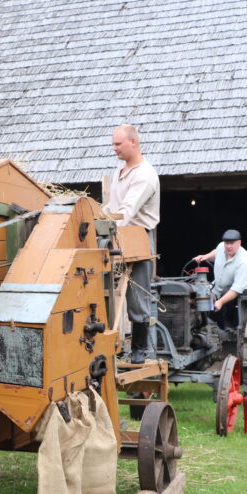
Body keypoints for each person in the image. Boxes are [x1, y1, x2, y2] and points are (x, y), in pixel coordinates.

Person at [102, 124, 160, 364]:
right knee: (105, 289)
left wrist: (104, 225)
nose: (113, 148)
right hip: (116, 235)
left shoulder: (144, 175)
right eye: (113, 144)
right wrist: (97, 214)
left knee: (137, 296)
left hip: (137, 237)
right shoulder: (120, 170)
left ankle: (139, 350)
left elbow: (126, 212)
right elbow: (113, 206)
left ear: (133, 142)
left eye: (118, 144)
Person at [191, 229, 247, 327]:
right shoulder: (222, 246)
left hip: (241, 292)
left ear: (239, 243)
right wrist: (206, 256)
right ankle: (198, 324)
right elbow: (216, 252)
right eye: (227, 243)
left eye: (232, 243)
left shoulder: (245, 261)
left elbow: (236, 289)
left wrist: (220, 302)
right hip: (218, 288)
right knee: (198, 292)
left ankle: (228, 325)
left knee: (226, 291)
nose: (228, 246)